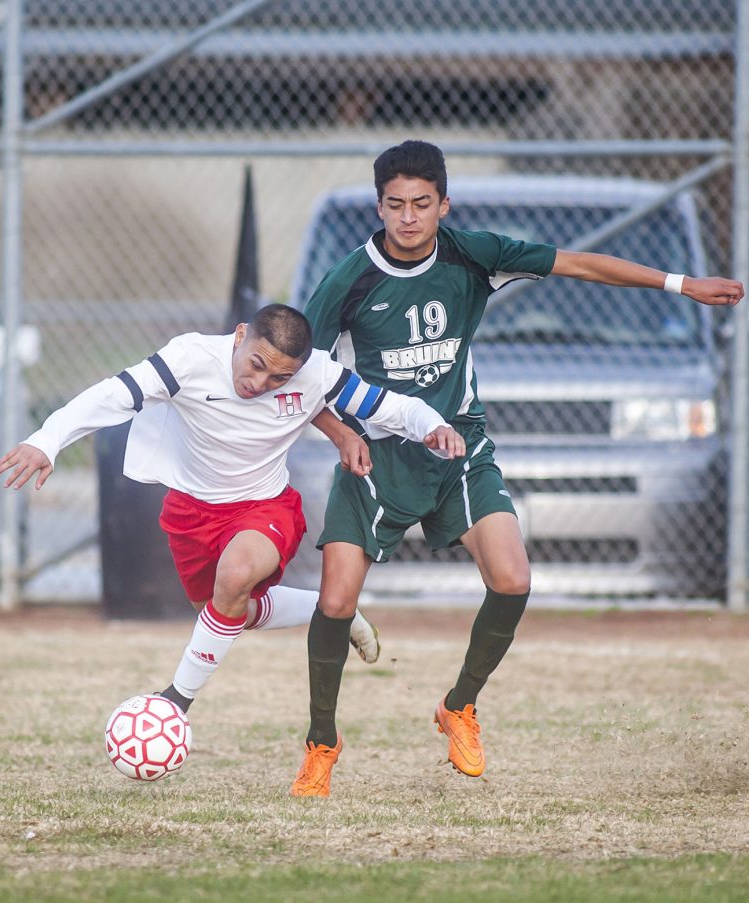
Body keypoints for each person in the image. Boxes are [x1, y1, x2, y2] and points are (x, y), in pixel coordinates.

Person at [288, 139, 745, 798]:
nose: (409, 217)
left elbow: (580, 264)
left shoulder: (473, 253)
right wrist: (337, 434)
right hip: (375, 458)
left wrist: (681, 284)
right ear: (380, 206)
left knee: (512, 578)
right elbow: (297, 372)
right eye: (396, 205)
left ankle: (459, 705)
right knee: (335, 602)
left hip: (458, 451)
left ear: (444, 203)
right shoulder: (348, 279)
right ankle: (322, 742)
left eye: (422, 203)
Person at [0, 303, 465, 715]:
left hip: (266, 507)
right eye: (256, 364)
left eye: (278, 377)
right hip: (190, 511)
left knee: (236, 575)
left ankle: (175, 702)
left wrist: (433, 425)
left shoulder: (317, 373)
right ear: (240, 336)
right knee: (224, 610)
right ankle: (335, 612)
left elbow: (389, 406)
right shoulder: (189, 358)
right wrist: (46, 441)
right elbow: (112, 395)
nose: (259, 383)